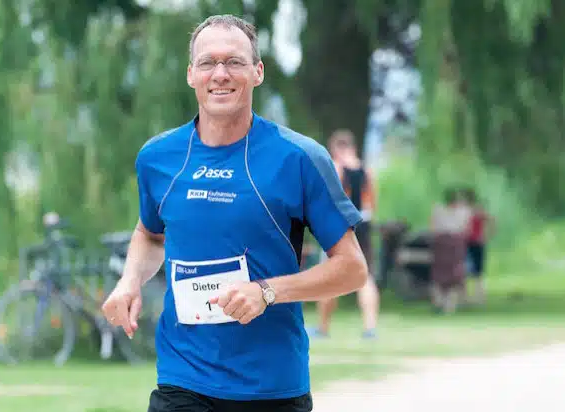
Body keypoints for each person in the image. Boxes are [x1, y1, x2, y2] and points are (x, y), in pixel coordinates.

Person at [101, 14, 368, 412]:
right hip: (182, 379)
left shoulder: (299, 158)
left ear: (257, 72)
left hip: (271, 388)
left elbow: (352, 268)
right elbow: (150, 234)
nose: (220, 74)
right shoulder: (158, 158)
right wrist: (129, 281)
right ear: (191, 74)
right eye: (208, 62)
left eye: (235, 62)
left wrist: (267, 292)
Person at [306, 129, 380, 340]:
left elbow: (329, 200)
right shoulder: (367, 171)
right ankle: (370, 327)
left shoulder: (336, 168)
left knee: (330, 275)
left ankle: (323, 327)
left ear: (335, 149)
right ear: (353, 147)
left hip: (341, 226)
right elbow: (371, 203)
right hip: (364, 223)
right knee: (366, 276)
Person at [429, 188, 471, 313]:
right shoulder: (463, 212)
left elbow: (433, 226)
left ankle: (442, 302)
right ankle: (447, 304)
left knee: (444, 273)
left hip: (442, 242)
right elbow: (466, 228)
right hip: (453, 242)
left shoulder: (438, 210)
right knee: (453, 273)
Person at [462, 188, 494, 305]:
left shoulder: (477, 210)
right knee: (464, 271)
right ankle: (466, 297)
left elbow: (491, 220)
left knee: (478, 272)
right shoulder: (463, 211)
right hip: (465, 243)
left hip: (476, 243)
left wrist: (487, 235)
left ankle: (480, 297)